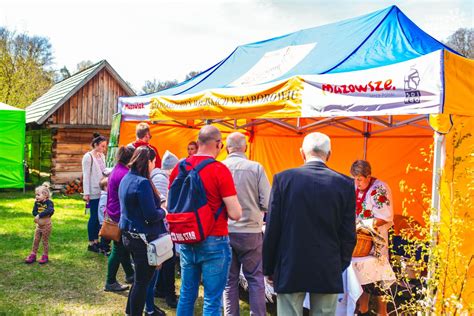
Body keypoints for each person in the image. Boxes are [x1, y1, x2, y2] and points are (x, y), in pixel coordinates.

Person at [263, 132, 356, 316]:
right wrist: (340, 264)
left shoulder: (283, 180)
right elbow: (348, 234)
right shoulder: (344, 184)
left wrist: (268, 266)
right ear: (329, 154)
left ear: (302, 153)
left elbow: (272, 228)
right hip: (327, 264)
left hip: (290, 262)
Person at [169, 125, 242, 316]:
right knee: (212, 299)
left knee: (186, 294)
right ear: (218, 144)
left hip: (187, 236)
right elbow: (235, 213)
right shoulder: (219, 169)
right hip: (214, 239)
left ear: (198, 142)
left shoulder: (179, 167)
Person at [222, 132, 270, 316]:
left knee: (229, 280)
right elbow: (267, 202)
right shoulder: (256, 168)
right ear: (246, 147)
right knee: (255, 279)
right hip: (251, 231)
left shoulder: (219, 167)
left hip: (224, 231)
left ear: (227, 148)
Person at [119, 146, 168, 316]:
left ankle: (129, 311)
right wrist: (164, 211)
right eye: (154, 162)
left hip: (128, 235)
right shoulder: (143, 182)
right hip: (141, 239)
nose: (155, 165)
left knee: (139, 280)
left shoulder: (127, 177)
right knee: (142, 282)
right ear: (148, 162)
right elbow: (151, 215)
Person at [350, 160, 395, 316]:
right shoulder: (355, 186)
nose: (357, 182)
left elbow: (385, 216)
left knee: (379, 278)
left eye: (360, 179)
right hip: (359, 242)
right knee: (361, 276)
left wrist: (363, 225)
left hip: (376, 242)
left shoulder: (379, 189)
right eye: (354, 179)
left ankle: (382, 312)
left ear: (368, 176)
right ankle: (363, 308)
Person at [151, 150, 180, 308]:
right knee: (168, 262)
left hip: (163, 227)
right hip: (163, 227)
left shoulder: (160, 176)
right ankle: (170, 295)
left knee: (165, 260)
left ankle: (160, 289)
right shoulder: (162, 179)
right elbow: (163, 206)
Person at [104, 146, 135, 292]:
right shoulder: (123, 173)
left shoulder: (117, 169)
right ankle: (110, 282)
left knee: (122, 247)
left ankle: (130, 274)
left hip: (113, 211)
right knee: (118, 248)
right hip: (118, 214)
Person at [82, 133, 108, 253]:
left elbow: (104, 171)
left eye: (105, 146)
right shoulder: (88, 157)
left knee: (99, 217)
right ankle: (91, 242)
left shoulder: (102, 156)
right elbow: (86, 176)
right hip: (93, 191)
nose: (104, 148)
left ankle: (97, 241)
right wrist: (86, 193)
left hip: (102, 190)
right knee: (93, 217)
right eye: (102, 146)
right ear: (96, 145)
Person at [25, 182, 54, 264]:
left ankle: (45, 256)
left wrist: (39, 215)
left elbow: (50, 210)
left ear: (45, 195)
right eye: (36, 195)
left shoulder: (49, 203)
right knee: (36, 240)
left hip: (46, 225)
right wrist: (36, 216)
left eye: (38, 195)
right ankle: (33, 255)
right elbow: (34, 211)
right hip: (39, 225)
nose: (36, 196)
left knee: (45, 241)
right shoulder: (36, 203)